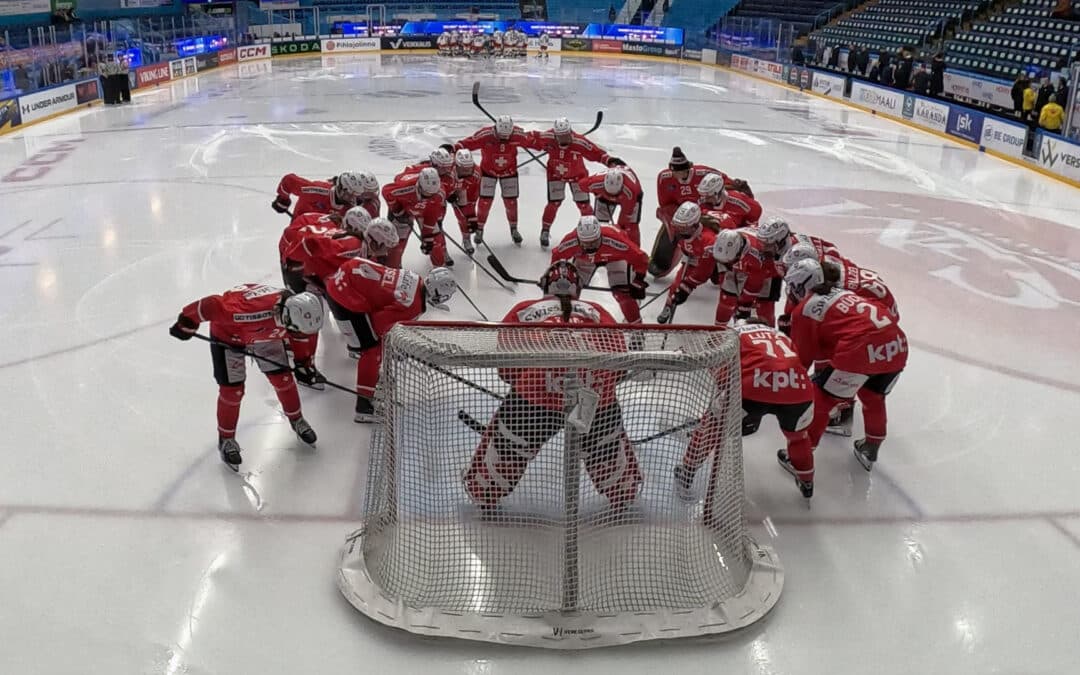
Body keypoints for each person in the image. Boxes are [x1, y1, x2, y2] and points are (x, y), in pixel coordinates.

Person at [461, 260, 642, 512]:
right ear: (578, 288)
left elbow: (505, 368)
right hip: (590, 398)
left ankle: (485, 493)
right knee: (606, 452)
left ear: (545, 285)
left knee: (503, 454)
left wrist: (527, 384)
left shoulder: (525, 309)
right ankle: (622, 492)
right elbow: (618, 365)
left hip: (534, 400)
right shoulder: (598, 311)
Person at [168, 285, 323, 471]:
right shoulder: (243, 312)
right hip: (229, 337)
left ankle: (297, 419)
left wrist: (303, 363)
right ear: (287, 316)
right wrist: (186, 321)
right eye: (296, 332)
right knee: (233, 391)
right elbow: (211, 304)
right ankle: (226, 439)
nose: (298, 336)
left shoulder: (296, 314)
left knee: (284, 379)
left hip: (267, 336)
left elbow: (301, 340)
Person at [784, 259, 908, 471]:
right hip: (897, 345)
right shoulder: (848, 292)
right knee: (874, 396)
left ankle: (801, 458)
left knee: (821, 397)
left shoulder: (805, 309)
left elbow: (803, 359)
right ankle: (871, 446)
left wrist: (788, 389)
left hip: (861, 350)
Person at [675, 319, 815, 500]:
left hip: (751, 388)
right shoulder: (781, 336)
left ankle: (687, 471)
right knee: (798, 438)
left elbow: (719, 367)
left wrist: (722, 398)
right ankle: (807, 481)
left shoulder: (734, 332)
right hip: (799, 389)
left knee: (712, 426)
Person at [324, 259, 457, 421]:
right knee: (372, 351)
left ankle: (365, 367)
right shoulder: (413, 305)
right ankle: (364, 406)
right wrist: (397, 345)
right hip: (344, 294)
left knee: (373, 341)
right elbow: (379, 325)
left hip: (346, 274)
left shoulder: (415, 278)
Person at [651, 147, 750, 276]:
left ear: (688, 168)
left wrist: (738, 188)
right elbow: (665, 205)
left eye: (680, 171)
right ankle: (662, 259)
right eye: (674, 171)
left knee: (716, 236)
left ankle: (718, 265)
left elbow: (725, 184)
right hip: (682, 216)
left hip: (706, 215)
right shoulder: (664, 178)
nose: (677, 175)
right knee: (671, 228)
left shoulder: (704, 173)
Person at [525, 117, 615, 248]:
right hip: (555, 175)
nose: (562, 139)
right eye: (559, 136)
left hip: (578, 177)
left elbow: (597, 154)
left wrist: (611, 162)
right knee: (553, 203)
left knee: (583, 205)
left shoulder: (580, 142)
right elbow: (530, 138)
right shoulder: (548, 137)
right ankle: (545, 231)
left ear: (570, 132)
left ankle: (593, 231)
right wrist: (514, 137)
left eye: (565, 136)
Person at [550, 216, 650, 324]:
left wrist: (639, 279)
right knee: (569, 292)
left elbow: (640, 257)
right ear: (578, 239)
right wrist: (556, 278)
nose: (590, 247)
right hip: (584, 259)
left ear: (600, 236)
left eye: (593, 242)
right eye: (585, 243)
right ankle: (563, 324)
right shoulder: (571, 240)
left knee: (623, 294)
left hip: (615, 258)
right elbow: (557, 258)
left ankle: (637, 330)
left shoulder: (615, 239)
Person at [455, 115, 530, 245]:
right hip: (488, 172)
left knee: (511, 203)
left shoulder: (518, 134)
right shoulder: (485, 135)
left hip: (509, 172)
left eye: (507, 136)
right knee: (485, 202)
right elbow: (467, 143)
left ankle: (514, 229)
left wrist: (551, 146)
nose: (504, 138)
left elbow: (534, 140)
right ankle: (480, 229)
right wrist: (453, 148)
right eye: (502, 135)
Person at [381, 167, 451, 269]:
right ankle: (393, 268)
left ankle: (439, 268)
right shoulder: (406, 187)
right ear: (419, 186)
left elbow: (431, 216)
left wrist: (427, 238)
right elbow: (386, 191)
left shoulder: (439, 194)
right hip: (404, 207)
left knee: (435, 240)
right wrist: (397, 210)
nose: (429, 196)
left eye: (432, 194)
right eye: (426, 193)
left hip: (423, 210)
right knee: (397, 241)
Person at [577, 165, 645, 245]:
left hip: (627, 198)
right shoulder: (596, 182)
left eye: (614, 195)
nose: (612, 198)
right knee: (600, 224)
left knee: (630, 226)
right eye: (610, 194)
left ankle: (634, 249)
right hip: (603, 194)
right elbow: (581, 185)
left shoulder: (630, 192)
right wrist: (596, 192)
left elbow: (626, 214)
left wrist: (619, 229)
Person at [273, 171, 375, 223]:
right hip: (300, 227)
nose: (352, 198)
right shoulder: (316, 190)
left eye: (355, 194)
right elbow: (289, 180)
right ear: (340, 188)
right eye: (349, 194)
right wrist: (283, 199)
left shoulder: (351, 208)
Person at [450, 150, 483, 253]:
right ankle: (466, 239)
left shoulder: (476, 173)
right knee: (460, 215)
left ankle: (469, 234)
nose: (468, 171)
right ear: (457, 165)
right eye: (464, 168)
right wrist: (449, 195)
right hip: (451, 190)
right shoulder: (448, 171)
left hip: (467, 190)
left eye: (469, 167)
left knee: (468, 213)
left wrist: (471, 216)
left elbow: (474, 194)